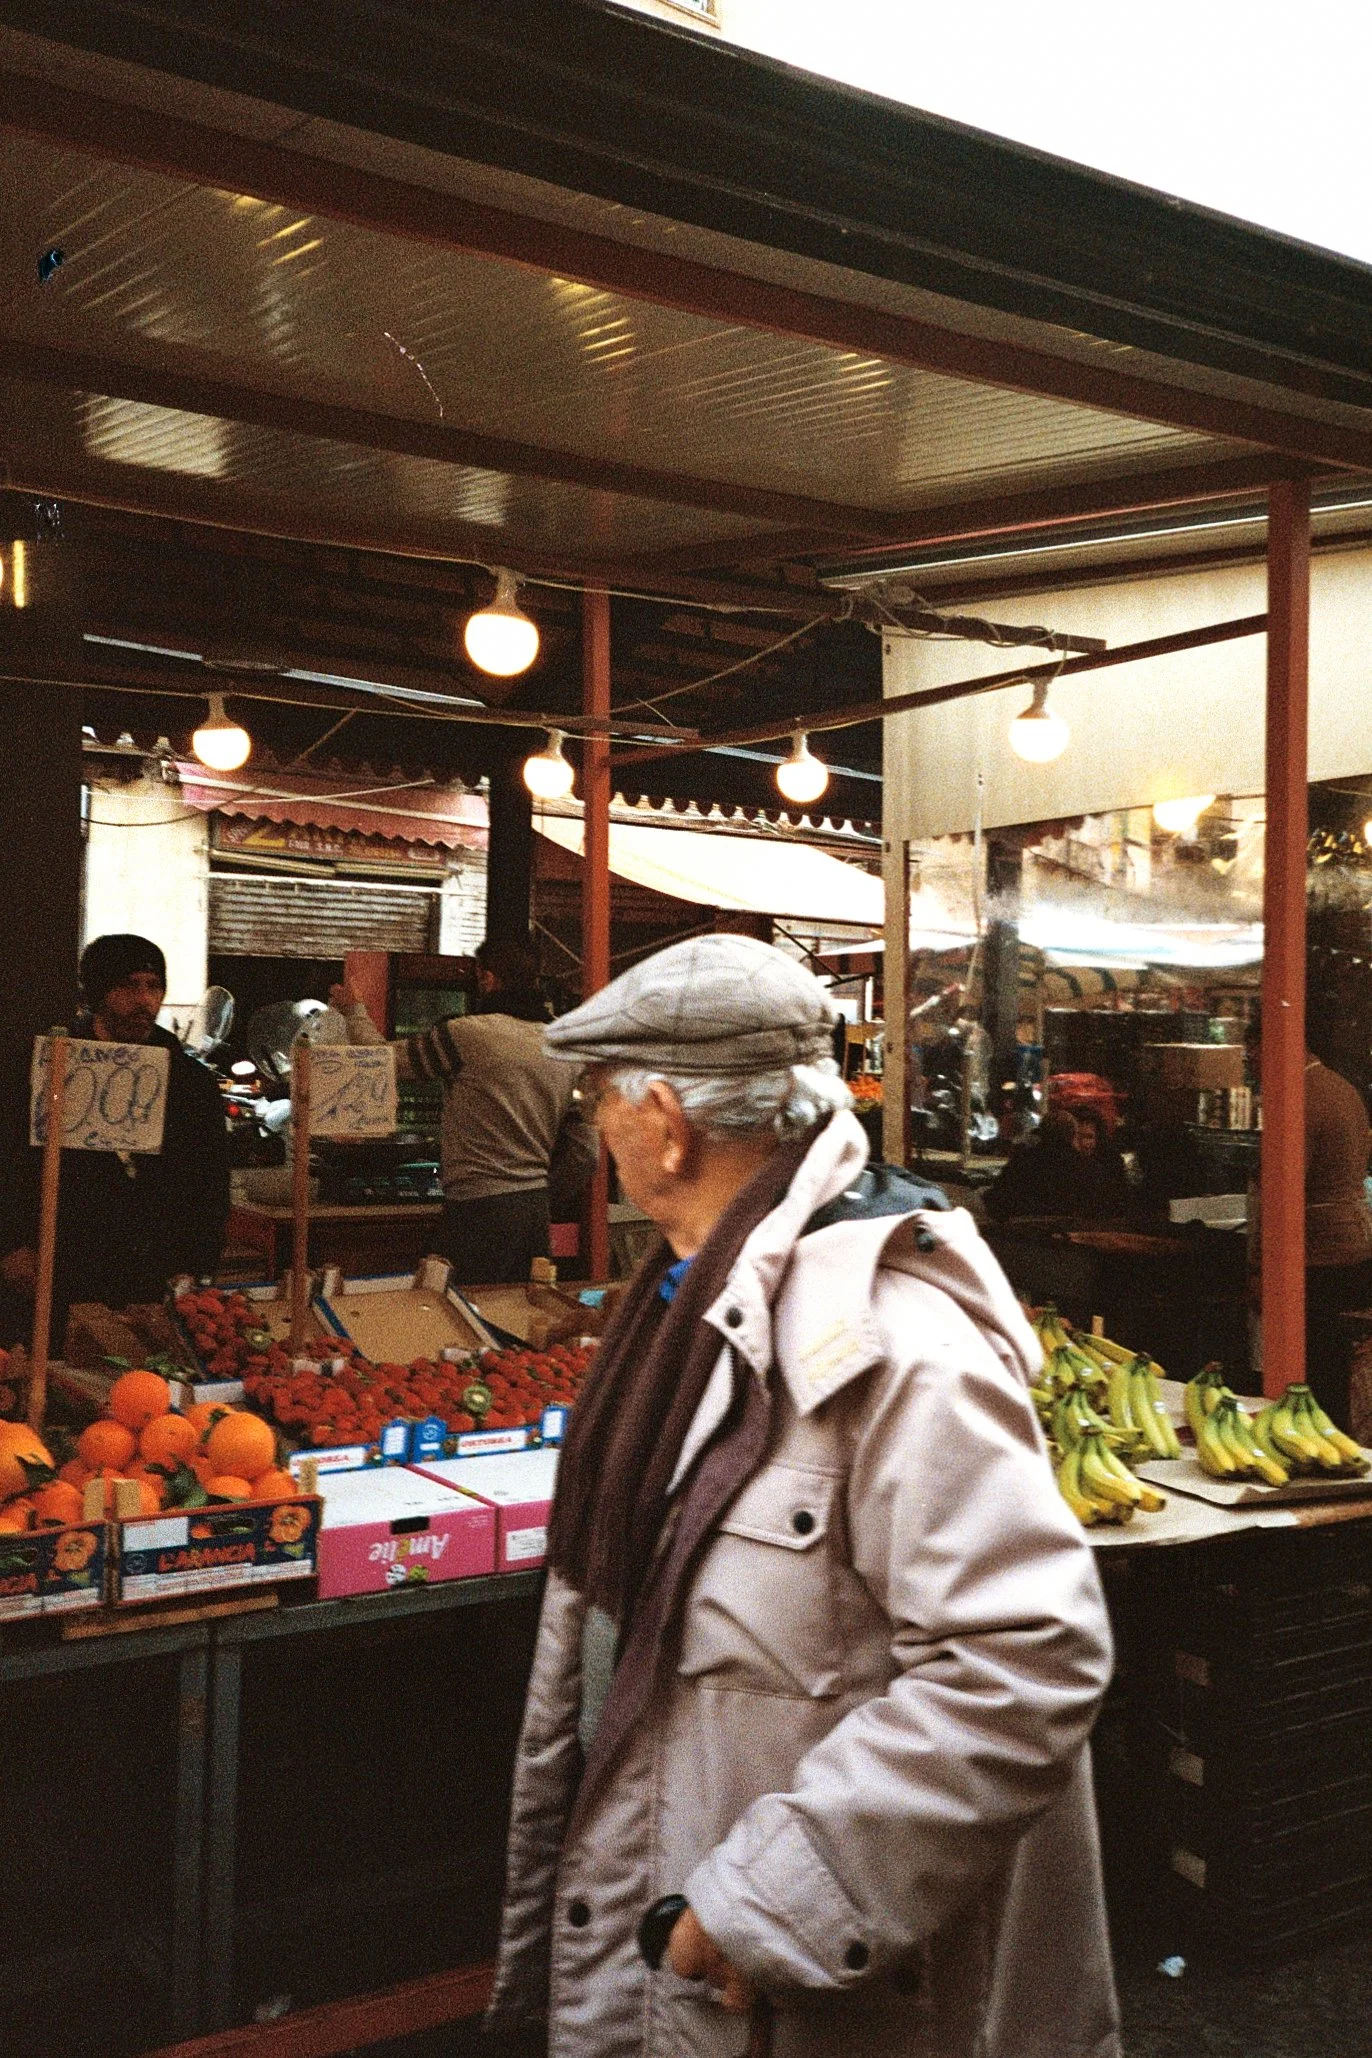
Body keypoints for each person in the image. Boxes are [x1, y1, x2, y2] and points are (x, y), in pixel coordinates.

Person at [487, 934, 1119, 2058]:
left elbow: (1023, 1661)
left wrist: (766, 1907)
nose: (595, 1128)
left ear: (665, 1123)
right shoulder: (699, 1310)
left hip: (817, 1990)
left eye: (600, 1097)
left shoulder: (893, 1345)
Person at [336, 937, 596, 1285]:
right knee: (518, 1317)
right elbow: (586, 1153)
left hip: (477, 1211)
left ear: (486, 978)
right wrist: (538, 1194)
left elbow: (380, 1062)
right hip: (533, 1213)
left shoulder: (468, 1035)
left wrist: (354, 1010)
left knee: (457, 1315)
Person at [0, 934, 230, 1327]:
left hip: (154, 1271)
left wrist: (198, 1264)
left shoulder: (192, 1082)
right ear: (97, 992)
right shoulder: (47, 1068)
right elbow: (11, 1161)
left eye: (153, 986)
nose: (144, 1000)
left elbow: (209, 1182)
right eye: (128, 985)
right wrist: (10, 1245)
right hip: (61, 1265)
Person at [1250, 1013, 1372, 1428]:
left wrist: (1260, 1263)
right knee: (1334, 1361)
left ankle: (1311, 1440)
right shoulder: (1344, 1089)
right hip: (1354, 1240)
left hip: (1315, 1247)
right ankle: (1334, 1436)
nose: (1253, 1067)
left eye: (1253, 1055)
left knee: (1312, 1363)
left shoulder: (1298, 1097)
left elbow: (1286, 1187)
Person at [983, 1105, 1129, 1225]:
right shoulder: (1087, 1169)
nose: (1083, 1143)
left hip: (1024, 1242)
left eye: (1088, 1137)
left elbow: (997, 1202)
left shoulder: (1022, 1163)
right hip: (1071, 1247)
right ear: (1072, 1135)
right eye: (1080, 1136)